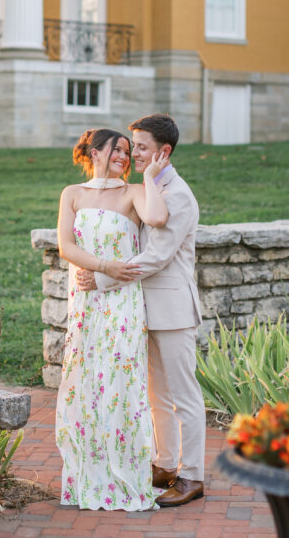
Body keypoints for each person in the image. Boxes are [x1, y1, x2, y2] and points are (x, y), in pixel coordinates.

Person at [76, 114, 205, 508]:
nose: (134, 154)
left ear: (164, 152)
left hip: (173, 309)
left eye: (142, 148)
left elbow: (156, 257)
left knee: (184, 396)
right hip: (141, 309)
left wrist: (102, 279)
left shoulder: (178, 195)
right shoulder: (146, 189)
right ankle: (164, 465)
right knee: (156, 397)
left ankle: (193, 476)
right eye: (132, 147)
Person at [55, 127, 169, 510]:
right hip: (86, 301)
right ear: (95, 152)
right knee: (86, 381)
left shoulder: (133, 192)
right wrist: (104, 266)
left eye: (127, 151)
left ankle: (126, 472)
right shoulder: (72, 194)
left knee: (121, 380)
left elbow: (156, 216)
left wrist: (149, 177)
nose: (124, 156)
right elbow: (65, 245)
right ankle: (88, 475)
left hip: (122, 304)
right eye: (117, 150)